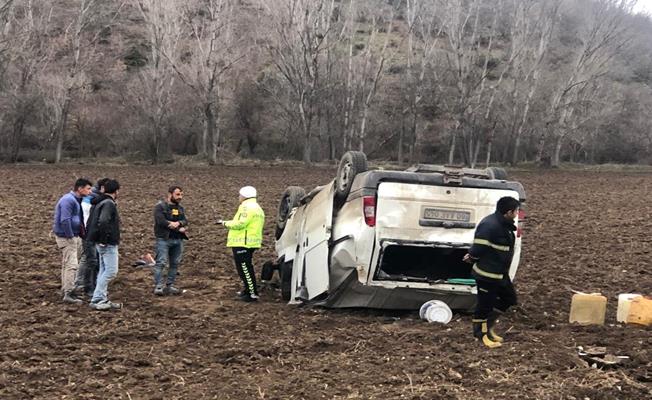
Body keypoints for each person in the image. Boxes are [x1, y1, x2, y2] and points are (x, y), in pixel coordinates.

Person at [463, 196, 520, 348]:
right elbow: (478, 247)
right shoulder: (490, 225)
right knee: (484, 305)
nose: (517, 214)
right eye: (516, 211)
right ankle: (481, 335)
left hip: (500, 273)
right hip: (487, 275)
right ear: (509, 212)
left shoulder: (505, 224)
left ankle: (488, 327)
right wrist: (472, 256)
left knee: (509, 298)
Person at [218, 186, 265, 302]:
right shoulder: (257, 207)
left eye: (240, 195)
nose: (239, 197)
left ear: (244, 196)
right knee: (246, 267)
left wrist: (224, 223)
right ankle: (248, 290)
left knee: (244, 268)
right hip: (251, 242)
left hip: (242, 242)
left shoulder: (246, 207)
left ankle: (252, 293)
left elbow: (240, 223)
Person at [52, 178, 93, 304]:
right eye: (88, 188)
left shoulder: (74, 200)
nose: (90, 191)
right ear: (80, 189)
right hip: (67, 237)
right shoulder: (68, 200)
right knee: (71, 265)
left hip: (71, 236)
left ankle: (66, 289)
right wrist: (70, 236)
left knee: (68, 264)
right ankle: (69, 293)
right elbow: (65, 220)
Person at [85, 179, 122, 311]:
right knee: (111, 271)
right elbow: (104, 221)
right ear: (116, 191)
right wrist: (104, 239)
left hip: (99, 242)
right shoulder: (109, 204)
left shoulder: (99, 202)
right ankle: (97, 299)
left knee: (103, 270)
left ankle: (101, 298)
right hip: (107, 243)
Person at [73, 177, 109, 297]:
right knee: (91, 260)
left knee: (89, 259)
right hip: (88, 232)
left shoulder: (93, 198)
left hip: (89, 232)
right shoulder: (92, 199)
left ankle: (83, 283)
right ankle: (85, 285)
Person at [153, 185, 189, 296]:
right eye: (178, 194)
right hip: (164, 239)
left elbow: (185, 220)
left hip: (178, 239)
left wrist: (179, 224)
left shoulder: (180, 208)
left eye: (181, 194)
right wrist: (171, 224)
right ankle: (159, 286)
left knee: (175, 263)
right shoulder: (160, 207)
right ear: (170, 194)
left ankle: (170, 285)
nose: (180, 197)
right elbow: (160, 221)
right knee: (161, 262)